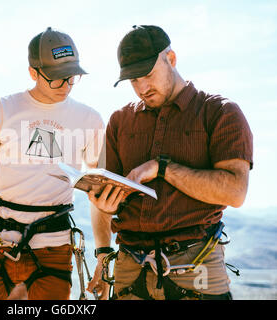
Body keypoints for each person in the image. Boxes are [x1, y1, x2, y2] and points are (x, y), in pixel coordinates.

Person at [87, 25, 253, 300]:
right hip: (130, 269)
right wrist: (103, 208)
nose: (141, 87)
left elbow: (235, 192)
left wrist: (163, 169)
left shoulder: (220, 112)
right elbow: (103, 196)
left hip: (196, 265)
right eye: (132, 80)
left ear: (171, 59)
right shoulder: (120, 121)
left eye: (147, 75)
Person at [0, 27, 105, 300]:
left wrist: (103, 254)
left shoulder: (90, 120)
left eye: (71, 77)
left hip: (54, 248)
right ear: (33, 72)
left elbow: (99, 191)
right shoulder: (1, 110)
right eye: (56, 78)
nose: (65, 85)